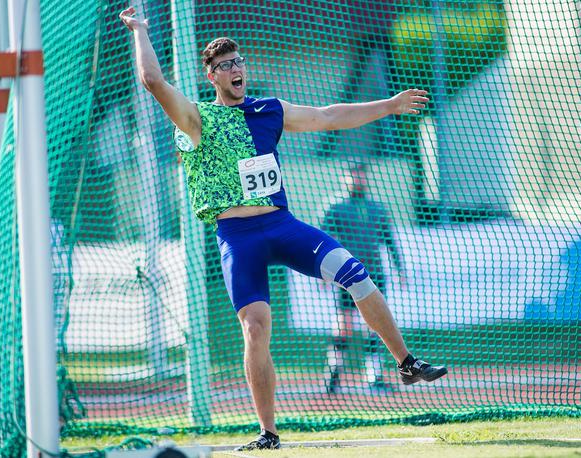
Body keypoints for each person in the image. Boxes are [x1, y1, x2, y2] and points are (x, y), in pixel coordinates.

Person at [119, 7, 447, 451]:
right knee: (255, 329)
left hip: (282, 224)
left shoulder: (269, 110)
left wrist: (388, 106)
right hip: (238, 237)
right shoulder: (197, 118)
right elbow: (153, 83)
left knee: (357, 275)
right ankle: (268, 433)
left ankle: (406, 364)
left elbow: (328, 116)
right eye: (225, 66)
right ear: (211, 76)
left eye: (239, 62)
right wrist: (140, 30)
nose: (236, 69)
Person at [321, 162, 406, 393]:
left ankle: (373, 377)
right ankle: (333, 375)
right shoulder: (336, 207)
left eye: (361, 175)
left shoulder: (377, 207)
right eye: (353, 175)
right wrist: (322, 274)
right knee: (344, 325)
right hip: (346, 274)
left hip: (375, 273)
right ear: (344, 178)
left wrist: (400, 270)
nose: (357, 179)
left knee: (376, 325)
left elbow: (389, 240)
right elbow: (325, 240)